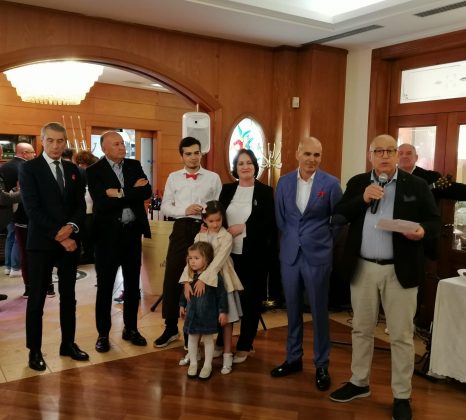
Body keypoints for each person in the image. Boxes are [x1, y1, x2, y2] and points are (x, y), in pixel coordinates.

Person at [329, 134, 440, 420]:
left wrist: (422, 231)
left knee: (401, 336)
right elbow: (339, 215)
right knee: (361, 329)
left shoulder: (416, 185)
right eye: (379, 151)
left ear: (397, 155)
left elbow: (433, 221)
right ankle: (359, 382)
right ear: (370, 156)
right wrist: (363, 199)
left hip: (400, 270)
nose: (385, 156)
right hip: (363, 268)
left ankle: (402, 395)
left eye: (390, 150)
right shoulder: (358, 183)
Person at [271, 137, 343, 391]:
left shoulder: (331, 184)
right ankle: (293, 358)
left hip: (317, 256)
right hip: (290, 255)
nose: (312, 159)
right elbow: (281, 219)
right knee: (292, 309)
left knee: (319, 312)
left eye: (317, 155)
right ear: (298, 153)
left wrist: (322, 241)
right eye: (308, 154)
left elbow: (339, 221)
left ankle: (322, 364)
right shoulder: (283, 182)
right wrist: (295, 240)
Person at [19, 122, 88, 371]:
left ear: (65, 142)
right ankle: (34, 350)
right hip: (41, 243)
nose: (56, 146)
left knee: (69, 297)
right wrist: (60, 235)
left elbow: (80, 205)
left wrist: (72, 227)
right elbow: (32, 209)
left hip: (69, 242)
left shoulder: (72, 169)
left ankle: (68, 344)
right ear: (42, 141)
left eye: (60, 141)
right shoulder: (29, 169)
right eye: (50, 140)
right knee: (37, 298)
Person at [87, 131, 152, 353]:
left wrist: (119, 193)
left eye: (123, 143)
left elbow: (146, 191)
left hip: (132, 234)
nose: (122, 147)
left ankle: (130, 329)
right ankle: (103, 334)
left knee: (133, 286)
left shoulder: (134, 165)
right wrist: (132, 192)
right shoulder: (94, 170)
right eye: (116, 144)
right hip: (106, 238)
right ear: (104, 148)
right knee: (105, 287)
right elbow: (102, 203)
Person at [154, 137, 222, 348]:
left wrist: (205, 215)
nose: (193, 157)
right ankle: (170, 328)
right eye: (188, 153)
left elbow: (219, 206)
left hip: (204, 228)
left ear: (201, 154)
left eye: (196, 153)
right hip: (181, 227)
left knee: (202, 278)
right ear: (182, 156)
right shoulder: (173, 177)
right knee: (173, 275)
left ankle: (199, 329)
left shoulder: (213, 178)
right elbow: (165, 206)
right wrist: (184, 210)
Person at [218, 148, 276, 364]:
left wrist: (244, 227)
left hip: (254, 255)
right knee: (226, 298)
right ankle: (221, 342)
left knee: (251, 301)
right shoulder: (226, 190)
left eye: (249, 163)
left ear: (255, 166)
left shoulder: (265, 191)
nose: (245, 167)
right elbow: (218, 216)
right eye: (241, 163)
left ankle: (245, 344)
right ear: (235, 168)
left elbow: (270, 223)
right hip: (228, 254)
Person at [179, 200, 243, 374]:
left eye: (218, 220)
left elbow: (218, 262)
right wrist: (187, 281)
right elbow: (191, 258)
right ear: (204, 220)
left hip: (222, 278)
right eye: (211, 221)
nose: (215, 224)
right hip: (199, 280)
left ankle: (227, 356)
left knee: (226, 320)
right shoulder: (200, 236)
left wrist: (203, 279)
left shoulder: (226, 237)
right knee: (198, 315)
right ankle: (194, 353)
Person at [179, 241, 228, 380]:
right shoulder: (189, 276)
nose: (192, 261)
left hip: (208, 316)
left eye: (196, 258)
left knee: (208, 340)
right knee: (192, 339)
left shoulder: (214, 276)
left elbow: (221, 295)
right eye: (190, 258)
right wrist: (182, 305)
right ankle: (193, 363)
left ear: (206, 259)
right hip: (192, 315)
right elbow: (184, 293)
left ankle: (207, 365)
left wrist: (222, 311)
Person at [0, 143, 36, 297]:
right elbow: (3, 197)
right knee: (18, 241)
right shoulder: (24, 167)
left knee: (11, 237)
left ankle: (9, 266)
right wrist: (24, 193)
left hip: (8, 213)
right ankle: (15, 267)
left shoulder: (5, 166)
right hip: (19, 211)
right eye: (33, 152)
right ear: (25, 153)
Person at [398, 143, 466, 200]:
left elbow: (457, 191)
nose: (404, 156)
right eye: (400, 153)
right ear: (395, 157)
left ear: (416, 157)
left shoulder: (432, 177)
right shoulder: (391, 176)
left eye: (409, 153)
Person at [74, 150, 98, 265]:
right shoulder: (82, 174)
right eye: (79, 164)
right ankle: (87, 254)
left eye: (82, 164)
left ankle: (90, 256)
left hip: (92, 211)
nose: (80, 166)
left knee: (89, 235)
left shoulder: (94, 174)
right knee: (84, 235)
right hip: (84, 210)